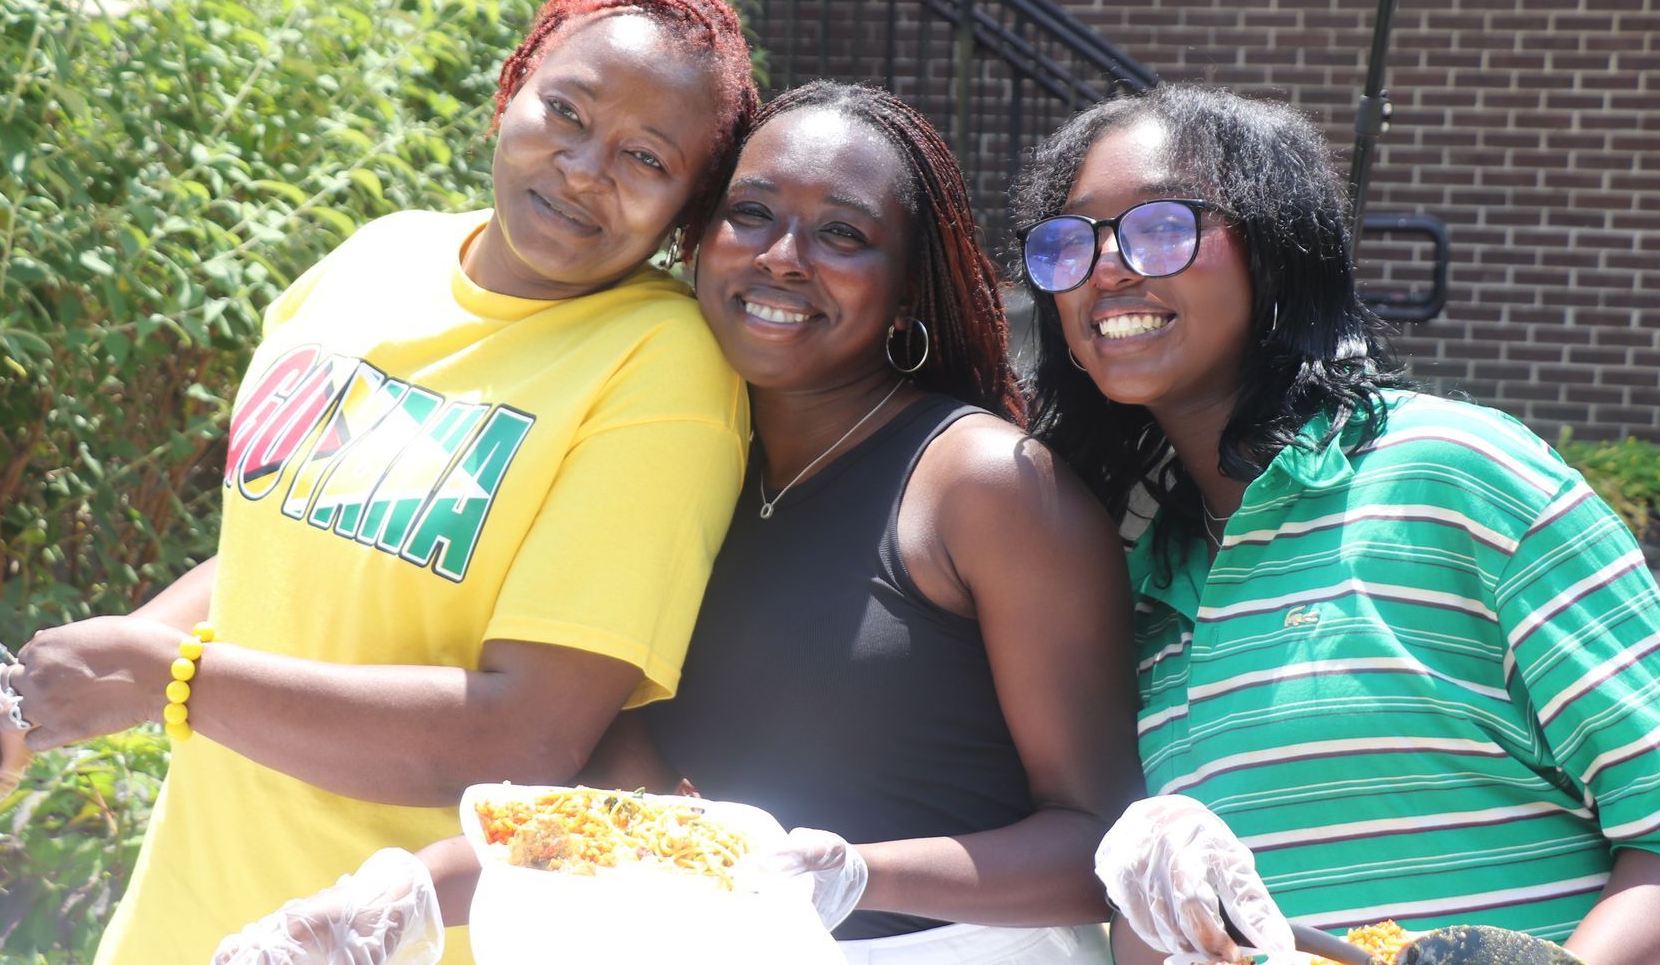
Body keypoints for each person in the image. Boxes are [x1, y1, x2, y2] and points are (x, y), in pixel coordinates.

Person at [0, 0, 762, 965]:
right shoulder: (376, 259)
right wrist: (25, 698)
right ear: (510, 89)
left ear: (687, 207)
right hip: (182, 913)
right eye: (565, 109)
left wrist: (166, 679)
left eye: (648, 156)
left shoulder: (661, 368)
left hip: (374, 940)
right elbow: (279, 552)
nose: (586, 164)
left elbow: (528, 736)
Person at [216, 81, 1143, 965]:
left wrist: (857, 873)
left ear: (908, 290)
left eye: (842, 233)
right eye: (752, 214)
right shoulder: (675, 468)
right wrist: (404, 895)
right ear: (699, 241)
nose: (783, 255)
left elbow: (1099, 849)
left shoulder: (987, 487)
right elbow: (639, 817)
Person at [1007, 83, 1660, 965]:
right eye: (1068, 241)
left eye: (1161, 226)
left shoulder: (1456, 476)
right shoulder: (1129, 568)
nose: (1107, 267)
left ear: (1276, 254)